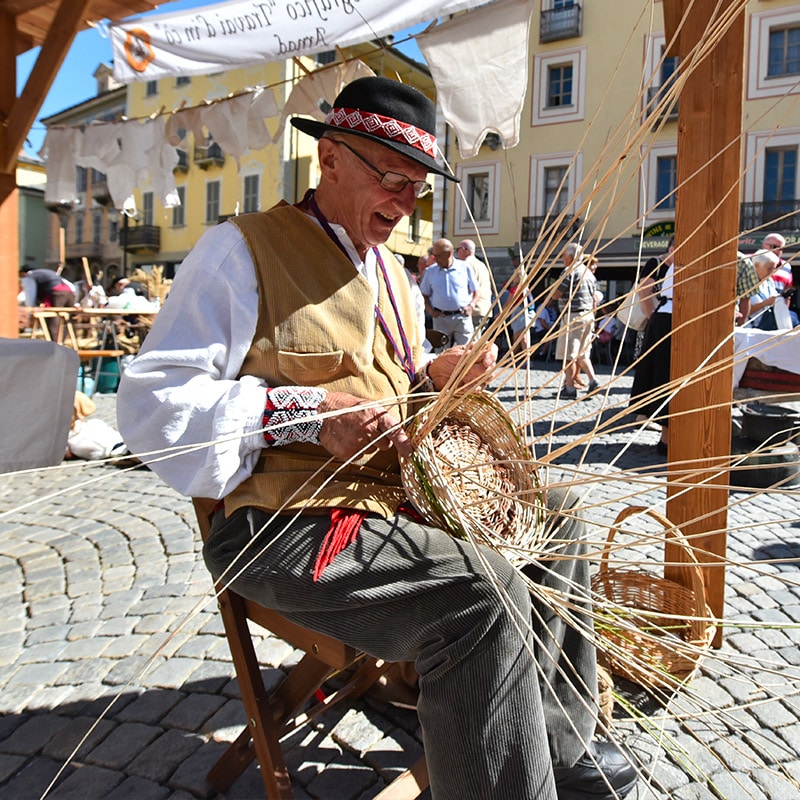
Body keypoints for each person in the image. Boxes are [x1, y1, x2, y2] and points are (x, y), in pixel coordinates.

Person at [117, 76, 635, 800]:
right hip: (284, 524)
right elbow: (152, 406)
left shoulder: (394, 273)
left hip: (395, 501)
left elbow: (393, 388)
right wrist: (303, 413)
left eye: (417, 190)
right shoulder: (238, 251)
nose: (404, 204)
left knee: (559, 513)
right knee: (479, 599)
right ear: (329, 159)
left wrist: (436, 377)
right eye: (391, 179)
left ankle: (564, 741)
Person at [629, 239, 676, 455]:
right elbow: (644, 290)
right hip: (661, 320)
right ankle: (648, 418)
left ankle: (660, 427)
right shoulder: (657, 263)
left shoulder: (675, 265)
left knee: (659, 371)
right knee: (659, 371)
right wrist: (652, 318)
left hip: (663, 319)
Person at [552, 243, 599, 398]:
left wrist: (552, 291)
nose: (562, 258)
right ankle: (593, 381)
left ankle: (570, 388)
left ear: (570, 257)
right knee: (583, 353)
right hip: (588, 316)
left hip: (573, 317)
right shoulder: (589, 273)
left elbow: (556, 294)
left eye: (563, 255)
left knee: (568, 354)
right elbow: (594, 300)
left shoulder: (569, 272)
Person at [419, 237, 480, 346]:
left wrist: (471, 305)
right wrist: (431, 311)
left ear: (449, 253)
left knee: (466, 351)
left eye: (438, 256)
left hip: (461, 316)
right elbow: (424, 295)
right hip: (440, 318)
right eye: (434, 256)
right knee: (441, 353)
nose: (435, 259)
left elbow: (476, 292)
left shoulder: (464, 268)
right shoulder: (430, 271)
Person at [19, 266, 77, 339]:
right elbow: (71, 286)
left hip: (57, 294)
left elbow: (30, 293)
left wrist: (33, 307)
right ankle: (64, 340)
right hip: (70, 294)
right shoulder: (47, 273)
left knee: (53, 320)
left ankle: (54, 343)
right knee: (68, 319)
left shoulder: (29, 277)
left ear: (23, 273)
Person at [457, 239, 493, 333]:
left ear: (464, 249)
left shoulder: (465, 265)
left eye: (458, 249)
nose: (457, 253)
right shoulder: (482, 265)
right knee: (476, 341)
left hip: (472, 310)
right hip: (484, 309)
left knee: (469, 344)